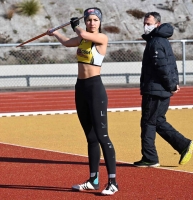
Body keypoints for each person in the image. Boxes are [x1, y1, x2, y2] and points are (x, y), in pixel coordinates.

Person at [46, 7, 118, 195]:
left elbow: (82, 33)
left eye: (95, 20)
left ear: (100, 22)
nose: (92, 23)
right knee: (91, 137)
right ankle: (93, 180)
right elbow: (67, 43)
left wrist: (76, 27)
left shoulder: (101, 39)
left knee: (103, 136)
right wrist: (55, 33)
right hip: (81, 88)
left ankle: (113, 182)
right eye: (89, 20)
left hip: (95, 89)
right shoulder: (82, 39)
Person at [134, 12, 193, 167]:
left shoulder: (155, 42)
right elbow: (169, 64)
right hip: (159, 89)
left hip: (155, 90)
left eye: (149, 23)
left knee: (148, 122)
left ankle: (150, 158)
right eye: (145, 23)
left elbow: (162, 67)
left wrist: (171, 85)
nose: (146, 26)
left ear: (158, 24)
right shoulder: (162, 40)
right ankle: (183, 145)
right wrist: (173, 84)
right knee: (157, 120)